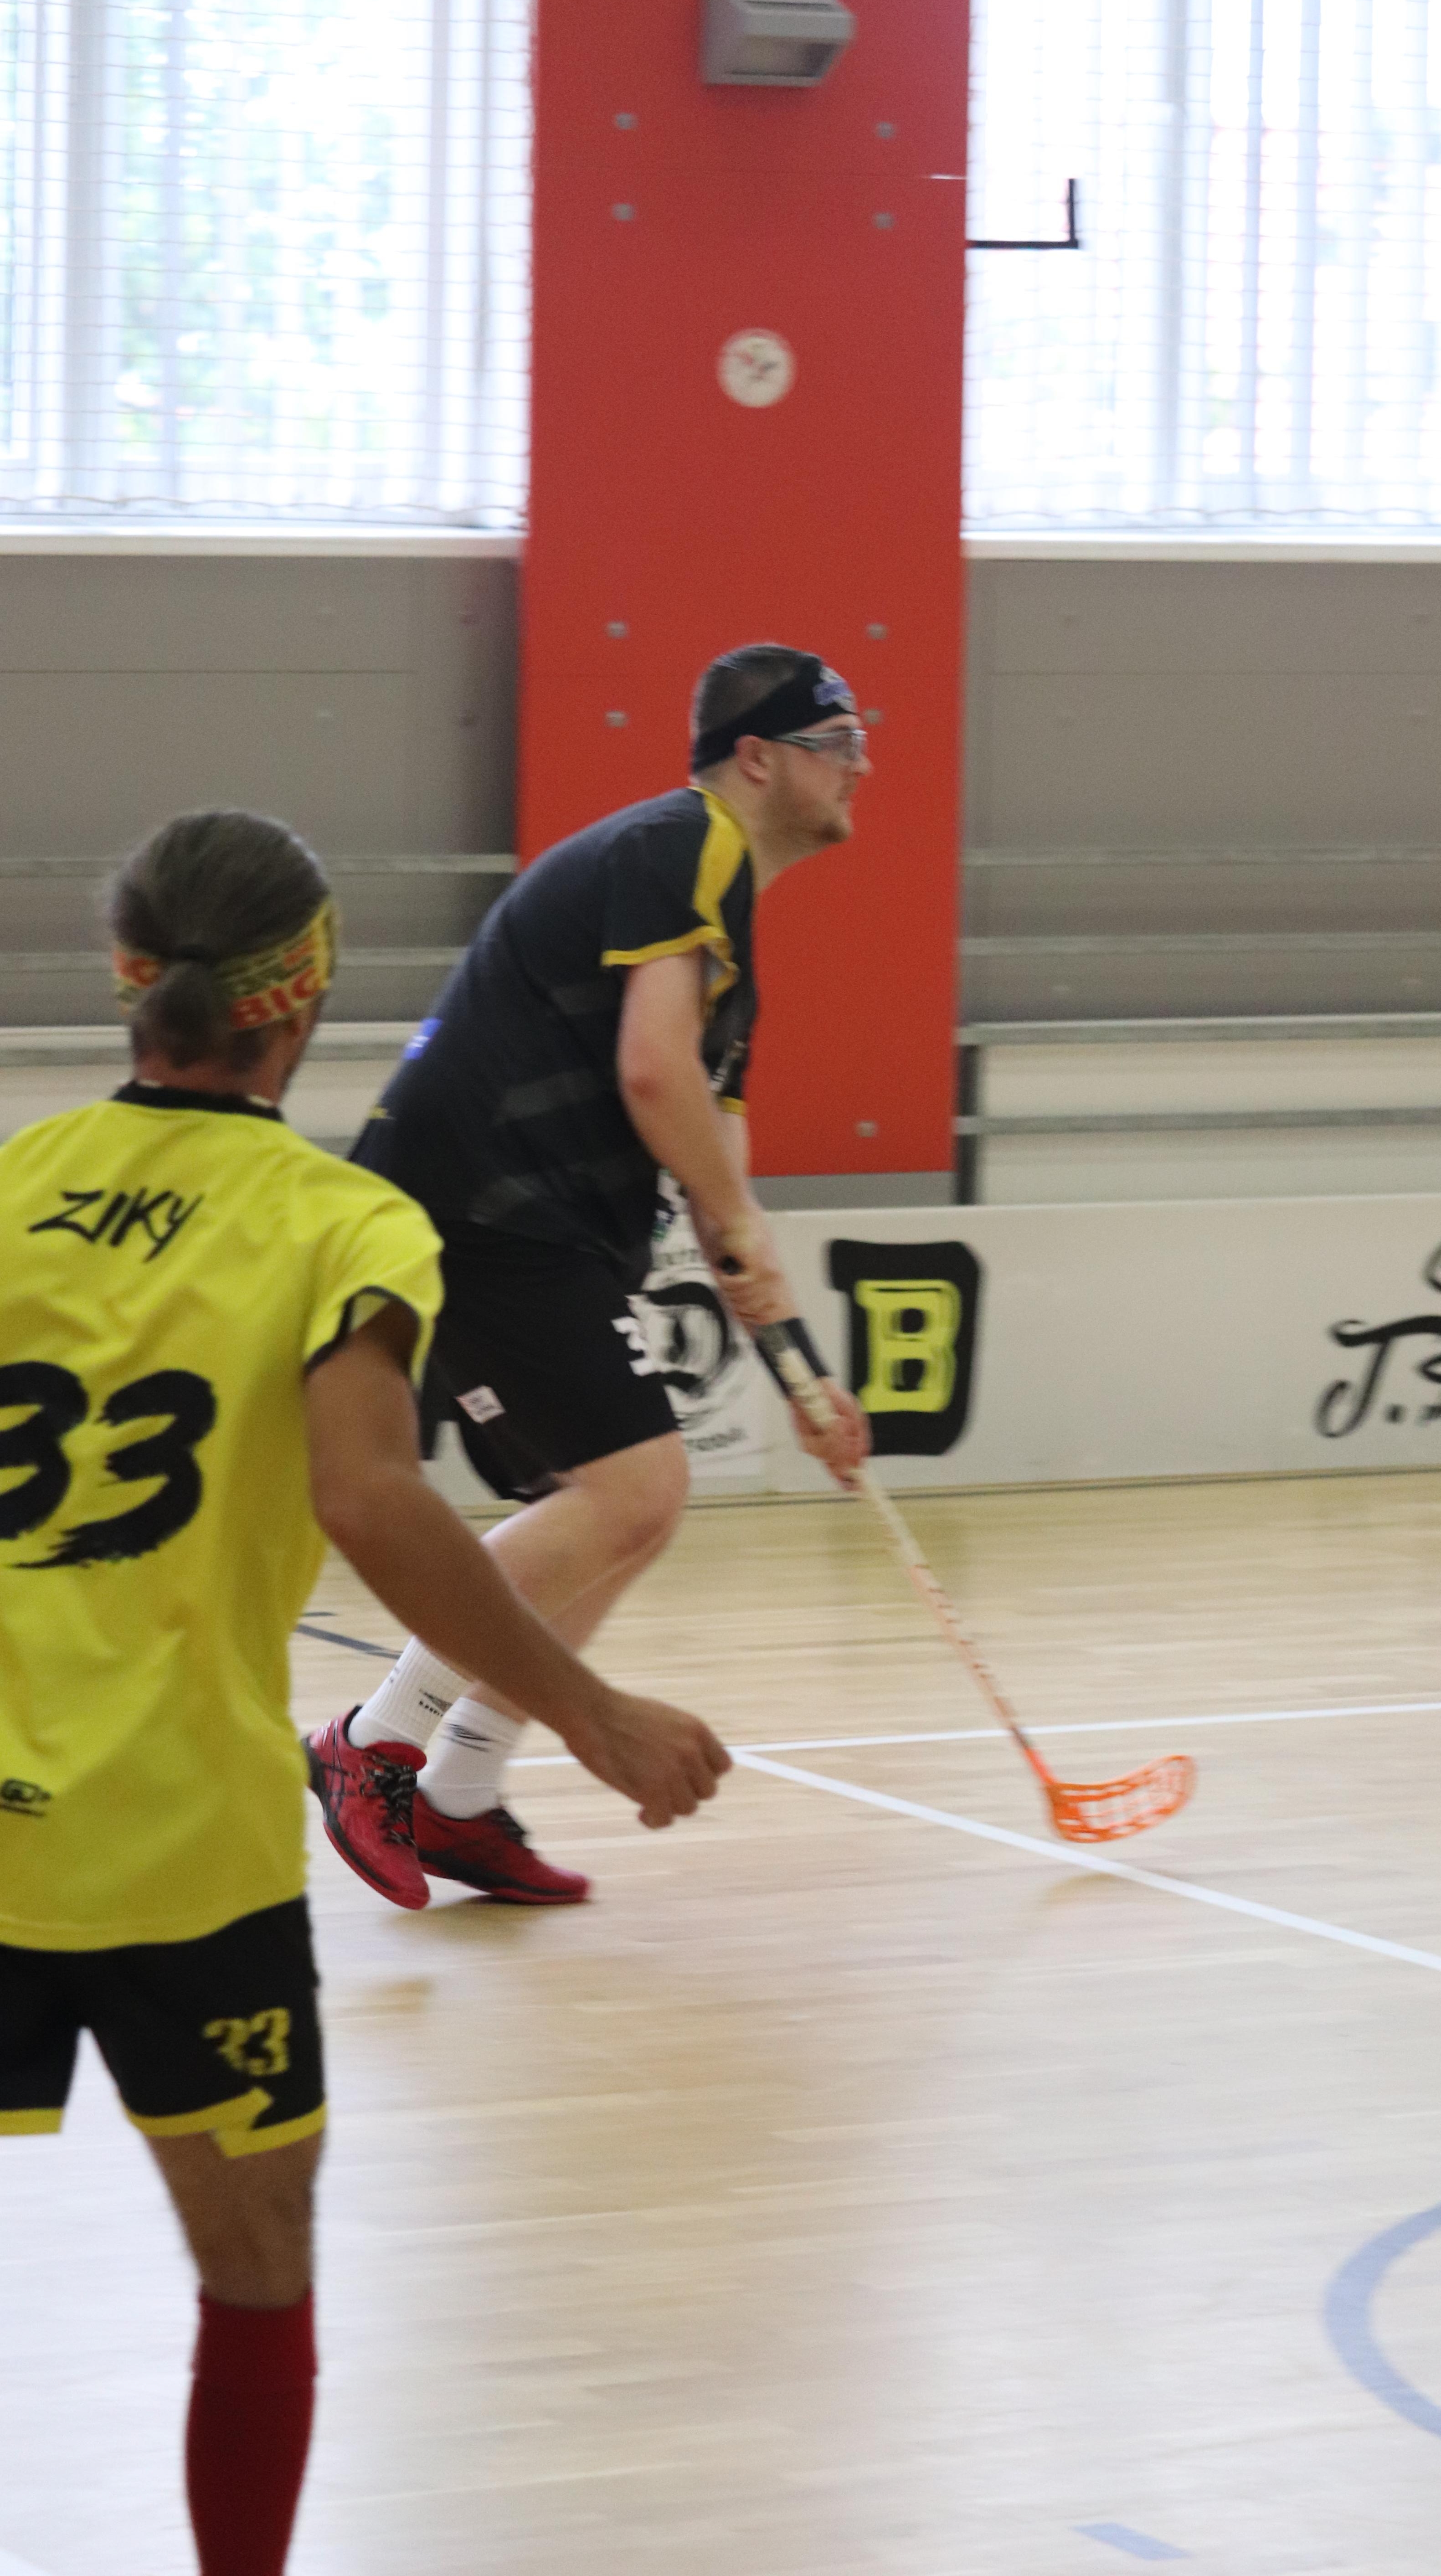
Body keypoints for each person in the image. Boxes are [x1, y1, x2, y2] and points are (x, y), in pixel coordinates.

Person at [0, 811, 729, 2576]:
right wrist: (592, 1714)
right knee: (255, 2279)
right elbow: (370, 1498)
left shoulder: (14, 1182)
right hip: (182, 1840)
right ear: (304, 992)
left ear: (128, 980)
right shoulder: (347, 1224)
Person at [306, 641, 871, 1912]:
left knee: (637, 1504)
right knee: (635, 1487)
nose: (860, 768)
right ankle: (376, 1746)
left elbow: (717, 1177)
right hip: (475, 1206)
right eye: (836, 744)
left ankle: (456, 1794)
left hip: (532, 1224)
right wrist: (735, 1217)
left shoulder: (728, 932)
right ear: (756, 759)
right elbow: (654, 1075)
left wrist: (805, 1378)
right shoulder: (684, 844)